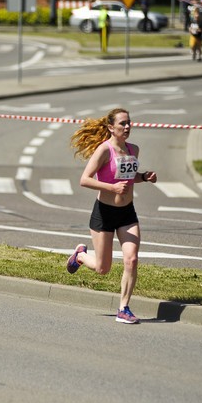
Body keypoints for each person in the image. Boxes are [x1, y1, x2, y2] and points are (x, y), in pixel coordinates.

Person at [67, 108, 157, 325]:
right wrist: (112, 188)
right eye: (122, 124)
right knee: (102, 268)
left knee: (132, 259)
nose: (127, 127)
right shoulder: (104, 150)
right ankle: (80, 256)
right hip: (104, 214)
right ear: (111, 128)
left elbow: (128, 177)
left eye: (129, 123)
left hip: (127, 213)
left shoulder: (133, 149)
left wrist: (144, 177)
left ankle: (123, 308)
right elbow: (85, 179)